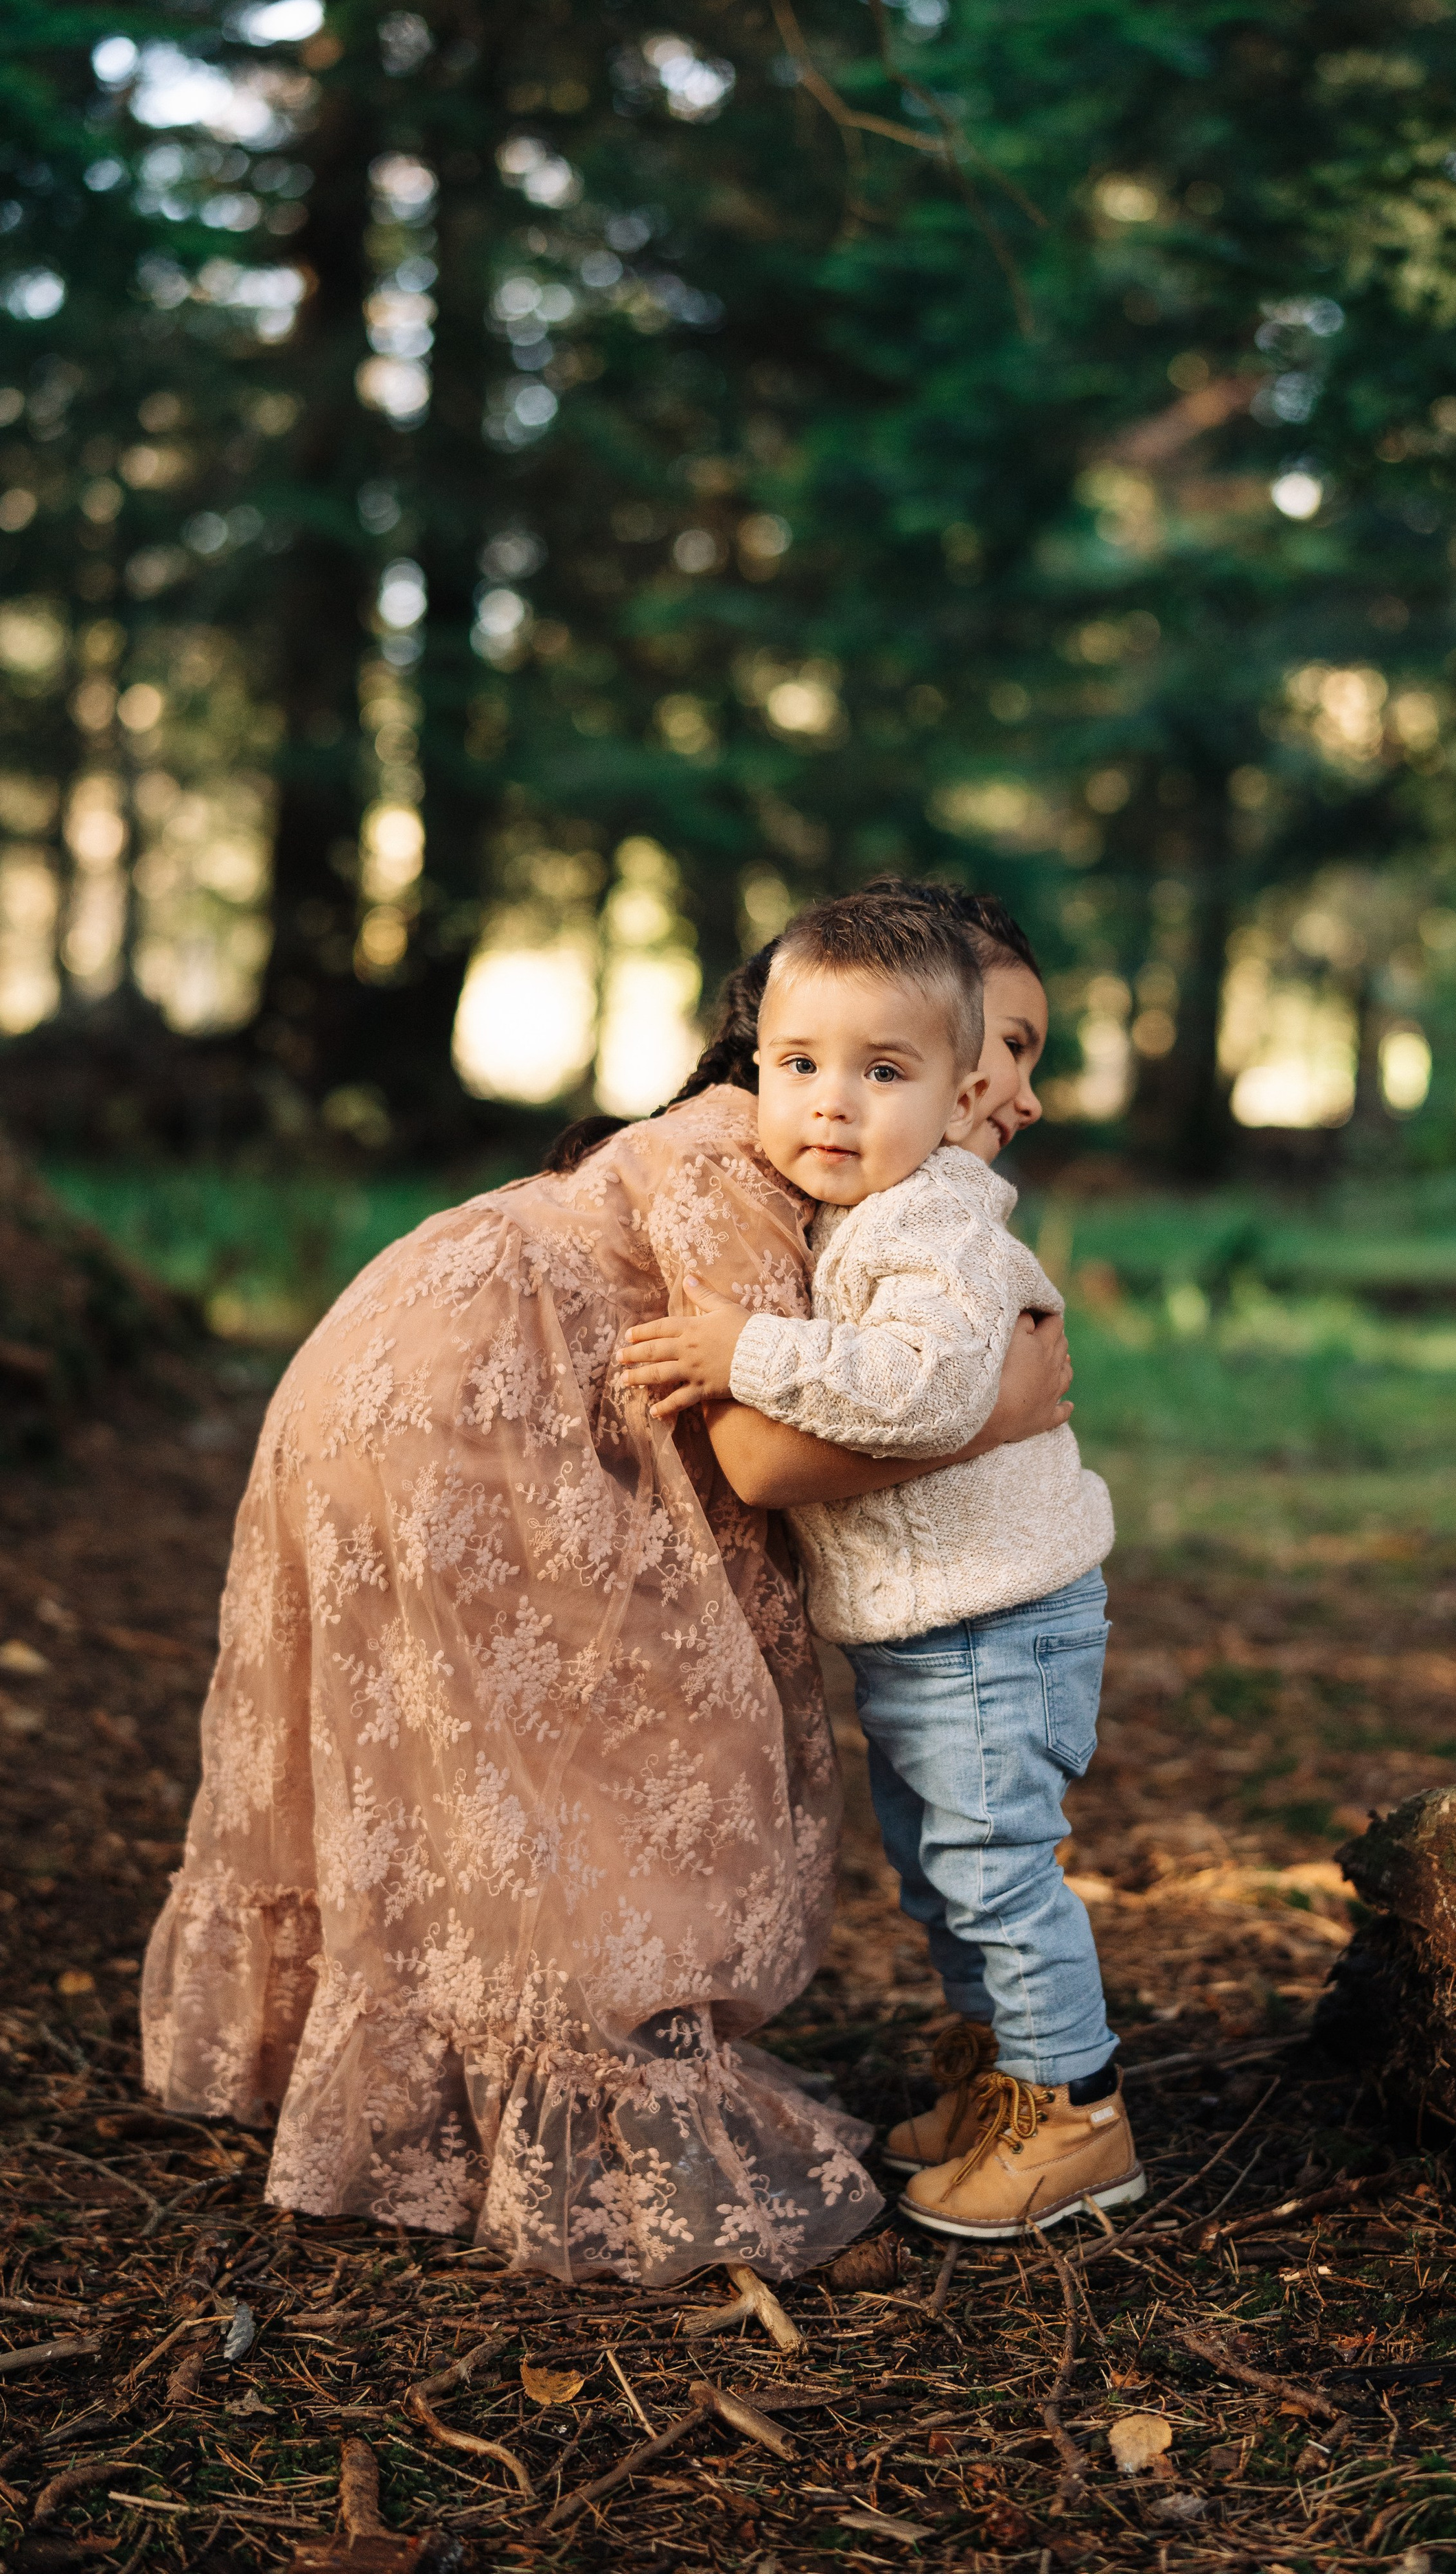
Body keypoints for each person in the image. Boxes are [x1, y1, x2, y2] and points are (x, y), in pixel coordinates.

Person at [139, 942, 1073, 2288]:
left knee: (474, 1753)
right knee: (638, 1740)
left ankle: (404, 2067)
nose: (1022, 1092)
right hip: (472, 1403)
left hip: (388, 1369)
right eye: (1011, 1044)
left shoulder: (776, 1162)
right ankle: (608, 2105)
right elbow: (757, 1458)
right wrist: (1003, 1413)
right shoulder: (742, 1162)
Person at [620, 893, 1142, 2242]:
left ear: (957, 1090)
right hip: (936, 1631)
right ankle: (1002, 2084)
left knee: (996, 1876)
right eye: (801, 1068)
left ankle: (1074, 2117)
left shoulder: (935, 1221)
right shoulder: (878, 1212)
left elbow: (919, 1389)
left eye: (884, 1073)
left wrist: (744, 1355)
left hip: (988, 1628)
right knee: (940, 1873)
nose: (833, 1106)